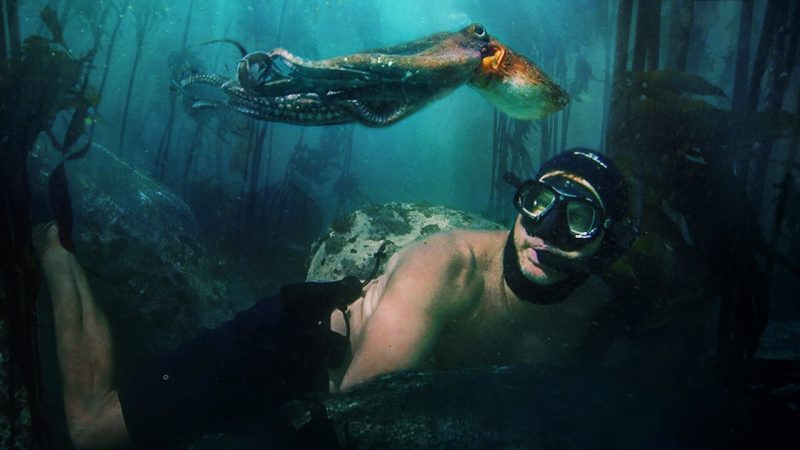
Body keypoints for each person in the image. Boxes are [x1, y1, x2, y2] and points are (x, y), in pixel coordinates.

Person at [35, 149, 636, 449]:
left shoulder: (597, 317)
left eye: (579, 219)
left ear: (607, 246)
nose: (546, 231)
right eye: (539, 203)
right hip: (298, 345)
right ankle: (57, 253)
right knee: (91, 430)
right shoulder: (445, 269)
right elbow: (359, 417)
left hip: (381, 396)